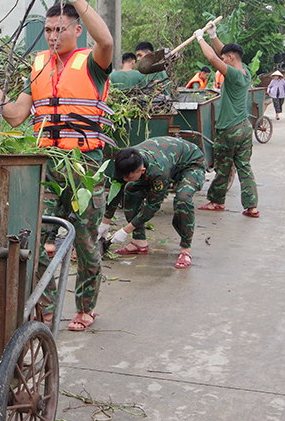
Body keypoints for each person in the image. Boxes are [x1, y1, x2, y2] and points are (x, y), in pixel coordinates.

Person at [0, 0, 113, 331]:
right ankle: (47, 307)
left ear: (76, 30)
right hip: (48, 164)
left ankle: (86, 308)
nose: (53, 36)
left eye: (60, 29)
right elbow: (15, 116)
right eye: (49, 30)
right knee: (35, 237)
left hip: (85, 164)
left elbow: (108, 41)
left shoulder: (93, 62)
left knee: (85, 241)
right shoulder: (38, 67)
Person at [107, 137, 205, 269]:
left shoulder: (158, 172)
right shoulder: (126, 162)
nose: (125, 179)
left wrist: (125, 230)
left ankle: (185, 250)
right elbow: (116, 190)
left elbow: (152, 206)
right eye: (123, 176)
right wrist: (105, 223)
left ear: (142, 171)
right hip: (169, 161)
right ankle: (139, 242)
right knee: (130, 190)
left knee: (182, 199)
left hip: (191, 163)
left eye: (128, 177)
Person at [193, 23, 259, 218]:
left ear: (230, 59)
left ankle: (216, 202)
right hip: (245, 129)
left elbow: (213, 57)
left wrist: (200, 39)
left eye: (225, 58)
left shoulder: (234, 75)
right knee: (244, 167)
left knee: (223, 168)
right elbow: (222, 52)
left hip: (229, 130)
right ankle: (252, 206)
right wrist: (213, 35)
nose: (223, 59)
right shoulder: (245, 70)